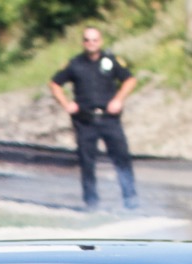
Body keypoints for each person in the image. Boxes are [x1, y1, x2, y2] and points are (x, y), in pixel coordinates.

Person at [49, 27, 139, 211]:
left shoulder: (111, 61)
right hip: (85, 120)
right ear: (83, 43)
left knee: (122, 158)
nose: (91, 43)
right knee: (87, 162)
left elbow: (130, 80)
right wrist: (66, 104)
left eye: (95, 40)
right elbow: (55, 83)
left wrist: (119, 99)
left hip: (109, 118)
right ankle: (91, 202)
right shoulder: (75, 64)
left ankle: (130, 198)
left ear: (101, 41)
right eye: (88, 40)